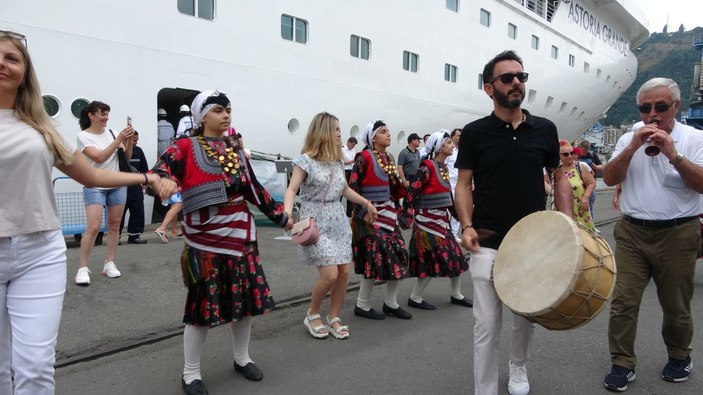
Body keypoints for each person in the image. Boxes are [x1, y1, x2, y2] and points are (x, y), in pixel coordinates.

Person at [0, 30, 169, 395]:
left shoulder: (40, 126)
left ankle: (105, 263)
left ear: (25, 72)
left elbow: (90, 171)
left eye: (12, 58)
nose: (3, 63)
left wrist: (146, 175)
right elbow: (94, 161)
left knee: (35, 369)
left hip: (38, 251)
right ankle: (85, 265)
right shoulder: (79, 134)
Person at [149, 90, 291, 395]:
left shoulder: (235, 149)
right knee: (200, 309)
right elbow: (158, 171)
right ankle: (190, 373)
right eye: (217, 110)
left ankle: (242, 358)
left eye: (228, 109)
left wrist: (282, 217)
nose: (226, 114)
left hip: (241, 236)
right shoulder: (184, 147)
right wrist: (162, 181)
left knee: (246, 303)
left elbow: (254, 188)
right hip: (205, 242)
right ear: (202, 117)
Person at [453, 50, 573, 395]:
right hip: (487, 239)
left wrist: (566, 221)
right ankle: (485, 389)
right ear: (490, 88)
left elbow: (559, 175)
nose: (516, 82)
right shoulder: (476, 133)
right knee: (487, 325)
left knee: (526, 317)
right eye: (507, 78)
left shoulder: (545, 129)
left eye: (521, 76)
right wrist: (466, 225)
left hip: (533, 241)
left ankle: (518, 366)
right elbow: (463, 185)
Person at [602, 77, 703, 392]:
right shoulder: (630, 138)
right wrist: (633, 145)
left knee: (675, 304)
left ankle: (678, 355)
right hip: (633, 231)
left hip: (678, 232)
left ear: (675, 106)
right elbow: (609, 177)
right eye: (646, 108)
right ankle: (622, 363)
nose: (653, 115)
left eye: (660, 107)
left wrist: (673, 154)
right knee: (623, 302)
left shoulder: (695, 139)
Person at [283, 112, 377, 340]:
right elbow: (292, 188)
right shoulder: (305, 160)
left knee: (344, 273)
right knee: (330, 275)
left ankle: (333, 316)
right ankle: (312, 314)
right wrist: (287, 212)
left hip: (338, 222)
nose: (340, 133)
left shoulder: (336, 161)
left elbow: (343, 190)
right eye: (336, 129)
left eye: (339, 129)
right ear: (323, 131)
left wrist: (366, 202)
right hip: (315, 222)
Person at [349, 120, 412, 320]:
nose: (388, 134)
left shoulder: (390, 157)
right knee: (373, 260)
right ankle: (362, 304)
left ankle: (390, 303)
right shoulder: (363, 157)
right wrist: (362, 213)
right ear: (373, 138)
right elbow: (352, 188)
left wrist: (399, 209)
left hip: (388, 215)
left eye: (388, 131)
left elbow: (393, 189)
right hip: (369, 217)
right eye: (383, 132)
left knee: (399, 255)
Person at [406, 131, 472, 310]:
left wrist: (460, 217)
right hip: (427, 224)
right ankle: (415, 297)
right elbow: (412, 193)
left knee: (456, 258)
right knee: (430, 260)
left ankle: (456, 294)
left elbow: (446, 197)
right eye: (449, 142)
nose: (452, 145)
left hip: (442, 223)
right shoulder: (425, 167)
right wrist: (406, 217)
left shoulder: (442, 168)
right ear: (440, 147)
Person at [74, 100, 134, 285]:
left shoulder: (113, 132)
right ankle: (82, 268)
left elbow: (126, 157)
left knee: (115, 225)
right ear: (91, 115)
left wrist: (129, 140)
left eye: (107, 114)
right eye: (102, 114)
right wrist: (118, 140)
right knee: (93, 227)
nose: (106, 117)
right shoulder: (83, 136)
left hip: (116, 183)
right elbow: (99, 157)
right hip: (94, 183)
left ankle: (110, 263)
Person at [558, 140, 596, 230]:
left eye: (571, 153)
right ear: (558, 155)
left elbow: (591, 183)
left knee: (584, 239)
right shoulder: (555, 170)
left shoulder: (579, 166)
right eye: (565, 154)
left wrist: (586, 197)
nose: (570, 156)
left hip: (580, 211)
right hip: (562, 212)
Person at [119, 131, 149, 244]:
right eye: (134, 140)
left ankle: (134, 236)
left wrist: (145, 184)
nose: (136, 142)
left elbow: (144, 169)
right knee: (119, 213)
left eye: (137, 140)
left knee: (138, 212)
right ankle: (116, 236)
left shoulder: (139, 151)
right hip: (121, 186)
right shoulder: (119, 151)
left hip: (136, 187)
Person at [445, 128, 462, 237]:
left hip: (461, 184)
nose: (460, 137)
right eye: (458, 135)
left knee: (459, 208)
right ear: (452, 137)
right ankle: (445, 231)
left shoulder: (465, 150)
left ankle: (454, 234)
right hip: (450, 183)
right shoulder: (449, 151)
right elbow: (444, 166)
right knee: (447, 208)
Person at [341, 136, 358, 216]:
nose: (353, 147)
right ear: (349, 142)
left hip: (352, 171)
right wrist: (351, 161)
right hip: (345, 171)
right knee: (341, 190)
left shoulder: (354, 150)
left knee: (351, 190)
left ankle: (349, 212)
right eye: (352, 145)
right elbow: (341, 162)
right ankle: (339, 209)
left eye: (354, 145)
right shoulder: (342, 149)